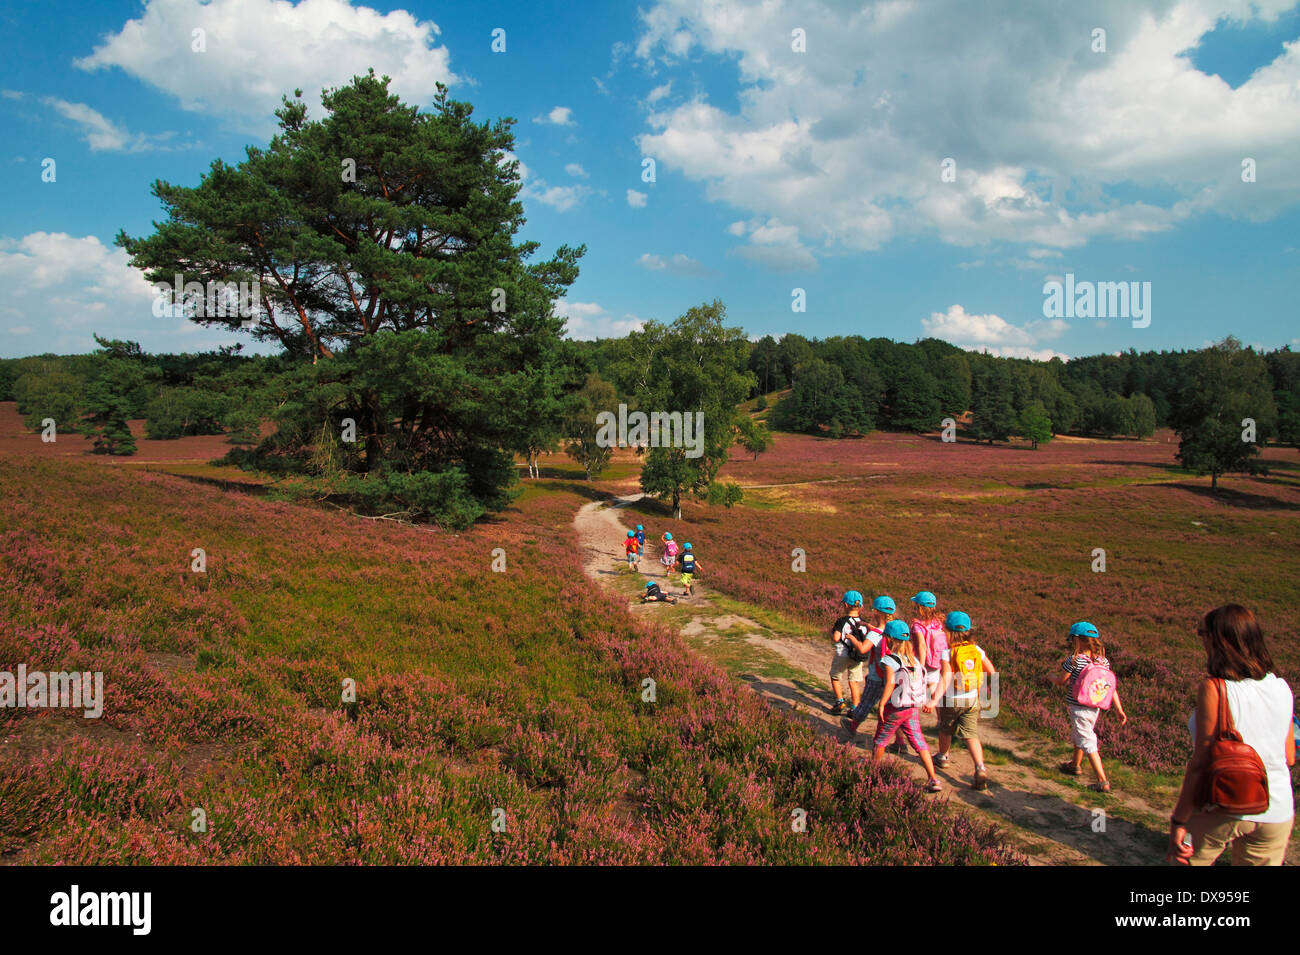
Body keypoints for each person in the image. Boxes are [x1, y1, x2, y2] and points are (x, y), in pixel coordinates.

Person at [1167, 605, 1295, 866]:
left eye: (1202, 633)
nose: (1200, 639)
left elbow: (1200, 764)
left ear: (1218, 640)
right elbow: (1289, 757)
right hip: (1277, 808)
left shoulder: (1214, 688)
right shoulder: (1282, 688)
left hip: (1222, 805)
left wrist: (1180, 819)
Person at [1050, 621, 1127, 792]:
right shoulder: (1103, 662)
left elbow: (1062, 681)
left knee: (1087, 740)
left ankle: (1102, 780)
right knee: (1080, 733)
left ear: (1077, 640)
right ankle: (1075, 765)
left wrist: (1051, 677)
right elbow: (1110, 687)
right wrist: (1119, 709)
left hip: (1078, 707)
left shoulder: (1074, 660)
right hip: (1095, 707)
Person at [929, 611, 996, 791]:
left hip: (952, 700)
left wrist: (934, 699)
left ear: (947, 632)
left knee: (945, 729)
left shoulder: (947, 653)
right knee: (971, 735)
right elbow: (991, 670)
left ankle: (943, 756)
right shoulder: (977, 650)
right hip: (972, 700)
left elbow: (945, 678)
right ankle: (980, 767)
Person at [872, 619, 943, 793]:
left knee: (880, 740)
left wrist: (882, 704)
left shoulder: (890, 659)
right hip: (912, 708)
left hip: (894, 708)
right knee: (919, 743)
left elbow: (889, 682)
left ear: (889, 639)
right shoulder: (915, 660)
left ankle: (872, 772)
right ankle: (933, 778)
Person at [841, 595, 896, 739]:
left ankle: (852, 727)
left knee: (865, 703)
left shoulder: (874, 634)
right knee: (890, 708)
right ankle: (900, 741)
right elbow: (880, 632)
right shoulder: (893, 630)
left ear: (876, 612)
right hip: (891, 677)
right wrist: (867, 626)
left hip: (876, 676)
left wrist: (852, 638)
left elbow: (863, 649)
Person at [911, 591, 947, 730]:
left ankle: (910, 720)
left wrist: (920, 665)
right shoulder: (939, 622)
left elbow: (921, 645)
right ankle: (941, 720)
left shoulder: (918, 626)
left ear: (919, 607)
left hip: (925, 662)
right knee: (935, 691)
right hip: (937, 661)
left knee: (916, 690)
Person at [829, 590, 868, 715]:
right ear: (860, 606)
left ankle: (840, 702)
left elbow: (836, 637)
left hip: (842, 654)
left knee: (835, 676)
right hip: (857, 656)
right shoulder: (863, 623)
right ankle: (855, 707)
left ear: (845, 605)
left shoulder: (842, 621)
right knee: (854, 681)